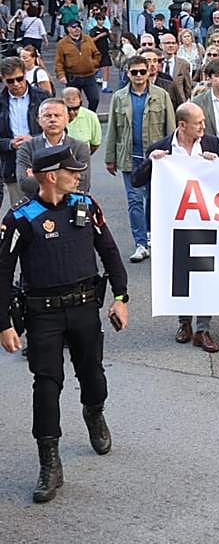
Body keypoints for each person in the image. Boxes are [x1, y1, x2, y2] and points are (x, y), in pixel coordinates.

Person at [0, 146, 129, 503]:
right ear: (51, 175)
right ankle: (50, 463)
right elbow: (3, 272)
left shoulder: (86, 207)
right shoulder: (21, 218)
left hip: (85, 306)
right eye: (71, 171)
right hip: (42, 314)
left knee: (93, 376)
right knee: (45, 385)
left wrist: (121, 297)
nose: (78, 176)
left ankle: (94, 412)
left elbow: (110, 252)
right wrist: (4, 324)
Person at [132, 102, 219, 352]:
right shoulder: (161, 147)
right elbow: (137, 181)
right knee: (180, 275)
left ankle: (203, 329)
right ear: (182, 125)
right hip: (172, 223)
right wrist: (153, 162)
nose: (203, 126)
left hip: (206, 221)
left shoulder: (211, 143)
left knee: (206, 273)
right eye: (198, 123)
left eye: (204, 121)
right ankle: (184, 323)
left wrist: (216, 163)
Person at [104, 55, 175, 262]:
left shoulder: (161, 95)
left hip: (156, 158)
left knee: (154, 199)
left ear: (148, 72)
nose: (138, 76)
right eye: (133, 72)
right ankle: (140, 243)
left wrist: (173, 154)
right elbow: (113, 129)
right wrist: (110, 157)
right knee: (134, 200)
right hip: (129, 156)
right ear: (127, 73)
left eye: (142, 71)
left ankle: (154, 235)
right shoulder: (119, 97)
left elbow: (170, 128)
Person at [0, 55, 51, 208]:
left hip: (43, 163)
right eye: (10, 81)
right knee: (21, 215)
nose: (16, 84)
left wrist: (34, 139)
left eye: (19, 78)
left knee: (48, 216)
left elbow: (59, 130)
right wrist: (10, 143)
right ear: (2, 79)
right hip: (13, 166)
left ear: (25, 74)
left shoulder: (42, 97)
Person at [17, 98, 92, 196]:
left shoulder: (80, 147)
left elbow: (83, 182)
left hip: (71, 203)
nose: (53, 119)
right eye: (47, 116)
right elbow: (24, 183)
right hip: (37, 205)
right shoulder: (27, 147)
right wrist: (66, 178)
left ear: (67, 119)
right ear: (39, 120)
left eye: (57, 115)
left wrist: (39, 177)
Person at [64, 87, 102, 154]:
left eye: (76, 108)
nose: (72, 112)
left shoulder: (91, 116)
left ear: (80, 102)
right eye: (68, 109)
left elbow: (95, 144)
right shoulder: (55, 115)